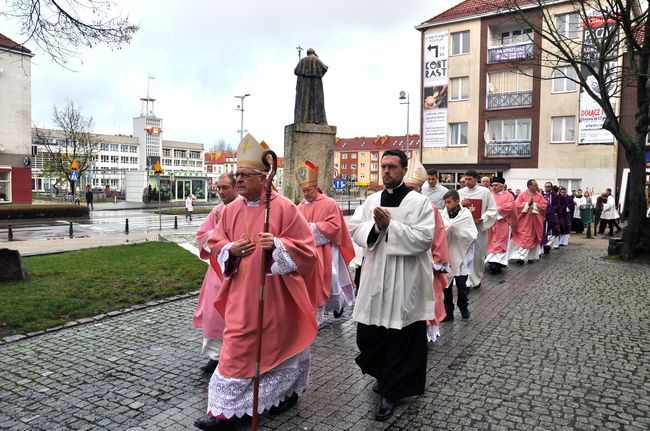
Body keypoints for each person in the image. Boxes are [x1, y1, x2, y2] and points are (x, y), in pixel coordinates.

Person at [194, 134, 319, 431]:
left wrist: (277, 246)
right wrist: (230, 249)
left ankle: (283, 395)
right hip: (241, 295)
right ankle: (224, 412)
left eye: (244, 175)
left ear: (263, 178)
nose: (238, 180)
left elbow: (307, 251)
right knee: (236, 347)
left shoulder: (285, 208)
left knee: (277, 348)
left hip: (276, 296)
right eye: (237, 175)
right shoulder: (231, 209)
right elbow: (214, 240)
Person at [348, 149, 435, 421]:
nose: (386, 171)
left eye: (392, 167)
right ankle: (383, 376)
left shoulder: (419, 202)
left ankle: (391, 392)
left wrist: (390, 226)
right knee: (369, 334)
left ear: (403, 169)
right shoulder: (372, 199)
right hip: (375, 276)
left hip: (404, 278)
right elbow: (355, 228)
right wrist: (374, 229)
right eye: (383, 167)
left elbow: (424, 239)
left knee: (401, 336)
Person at [296, 160, 355, 323]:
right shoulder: (299, 207)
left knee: (332, 278)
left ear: (316, 187)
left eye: (308, 190)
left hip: (327, 249)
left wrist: (312, 227)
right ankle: (312, 312)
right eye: (303, 191)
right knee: (309, 282)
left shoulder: (329, 203)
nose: (306, 194)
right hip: (308, 251)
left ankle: (338, 305)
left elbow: (335, 227)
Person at [192, 173, 238, 375]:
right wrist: (217, 231)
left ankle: (231, 357)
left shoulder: (244, 209)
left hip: (236, 272)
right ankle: (214, 356)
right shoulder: (217, 210)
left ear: (235, 188)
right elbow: (203, 234)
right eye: (218, 187)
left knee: (233, 317)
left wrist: (220, 233)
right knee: (213, 315)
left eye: (225, 187)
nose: (220, 191)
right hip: (216, 271)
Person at [402, 157, 450, 342]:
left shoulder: (430, 207)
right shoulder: (398, 205)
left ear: (420, 189)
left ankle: (427, 328)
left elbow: (439, 234)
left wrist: (439, 260)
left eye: (413, 189)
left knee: (428, 295)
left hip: (426, 260)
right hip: (405, 260)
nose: (410, 193)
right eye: (407, 189)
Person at [441, 190, 478, 321]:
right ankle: (448, 312)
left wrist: (456, 230)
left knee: (462, 286)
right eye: (445, 202)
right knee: (447, 287)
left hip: (462, 255)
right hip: (448, 255)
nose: (446, 205)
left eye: (449, 202)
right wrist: (448, 229)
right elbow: (439, 232)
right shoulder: (443, 214)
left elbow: (472, 234)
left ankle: (463, 308)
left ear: (457, 201)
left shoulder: (466, 215)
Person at [458, 169, 497, 289]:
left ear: (476, 179)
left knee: (478, 255)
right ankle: (465, 279)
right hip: (464, 229)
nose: (467, 182)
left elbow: (492, 210)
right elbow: (451, 208)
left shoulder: (485, 192)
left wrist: (483, 217)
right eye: (466, 179)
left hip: (478, 228)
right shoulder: (460, 192)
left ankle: (477, 278)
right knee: (464, 254)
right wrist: (460, 204)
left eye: (470, 179)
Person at [509, 180, 548, 264]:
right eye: (535, 185)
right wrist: (527, 204)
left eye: (536, 185)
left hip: (535, 221)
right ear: (529, 186)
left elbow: (544, 206)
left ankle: (531, 257)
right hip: (524, 221)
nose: (537, 186)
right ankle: (521, 257)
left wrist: (534, 205)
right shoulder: (522, 195)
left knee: (533, 238)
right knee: (525, 237)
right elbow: (516, 205)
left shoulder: (539, 196)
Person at [485, 177, 515, 274]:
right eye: (493, 185)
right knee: (489, 241)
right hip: (490, 223)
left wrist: (494, 210)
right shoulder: (489, 195)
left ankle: (498, 262)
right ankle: (491, 261)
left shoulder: (509, 196)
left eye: (496, 185)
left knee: (500, 242)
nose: (494, 187)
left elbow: (509, 207)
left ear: (502, 186)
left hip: (502, 222)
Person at [350, 187, 377, 291]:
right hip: (362, 244)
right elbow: (354, 226)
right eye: (369, 195)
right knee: (360, 271)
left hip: (373, 244)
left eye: (372, 195)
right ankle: (358, 288)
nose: (370, 197)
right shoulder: (360, 208)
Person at [294, 48, 328, 124]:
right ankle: (318, 119)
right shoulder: (317, 60)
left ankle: (303, 119)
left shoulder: (302, 60)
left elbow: (296, 71)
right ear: (313, 52)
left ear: (307, 53)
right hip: (316, 86)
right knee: (317, 101)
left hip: (304, 86)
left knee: (304, 101)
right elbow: (324, 68)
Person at [541, 182, 561, 254]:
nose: (547, 188)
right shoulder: (541, 195)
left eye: (549, 186)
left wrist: (551, 209)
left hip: (552, 215)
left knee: (553, 230)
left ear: (551, 187)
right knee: (544, 230)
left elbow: (558, 205)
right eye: (546, 186)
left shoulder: (555, 196)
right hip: (544, 215)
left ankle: (548, 245)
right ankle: (543, 245)